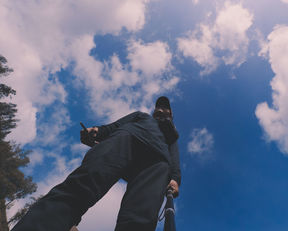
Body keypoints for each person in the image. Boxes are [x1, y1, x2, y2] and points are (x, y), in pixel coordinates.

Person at [12, 96, 181, 231]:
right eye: (158, 107)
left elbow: (174, 157)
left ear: (171, 113)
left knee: (140, 217)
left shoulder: (172, 135)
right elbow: (116, 125)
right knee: (82, 184)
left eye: (165, 108)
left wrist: (175, 179)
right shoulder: (141, 116)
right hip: (126, 138)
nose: (160, 109)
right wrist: (98, 131)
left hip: (157, 162)